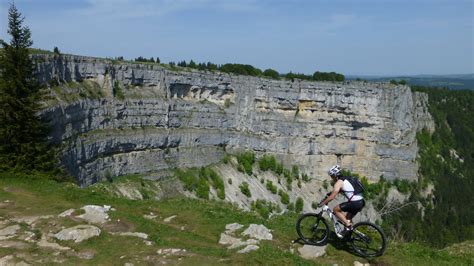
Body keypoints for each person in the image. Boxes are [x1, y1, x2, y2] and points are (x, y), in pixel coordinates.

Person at [319, 165, 365, 234]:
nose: (332, 178)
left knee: (335, 210)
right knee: (347, 218)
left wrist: (323, 202)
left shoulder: (338, 182)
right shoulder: (347, 178)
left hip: (354, 203)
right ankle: (349, 235)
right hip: (361, 201)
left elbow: (332, 197)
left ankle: (348, 226)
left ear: (335, 175)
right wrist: (329, 194)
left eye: (332, 176)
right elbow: (341, 190)